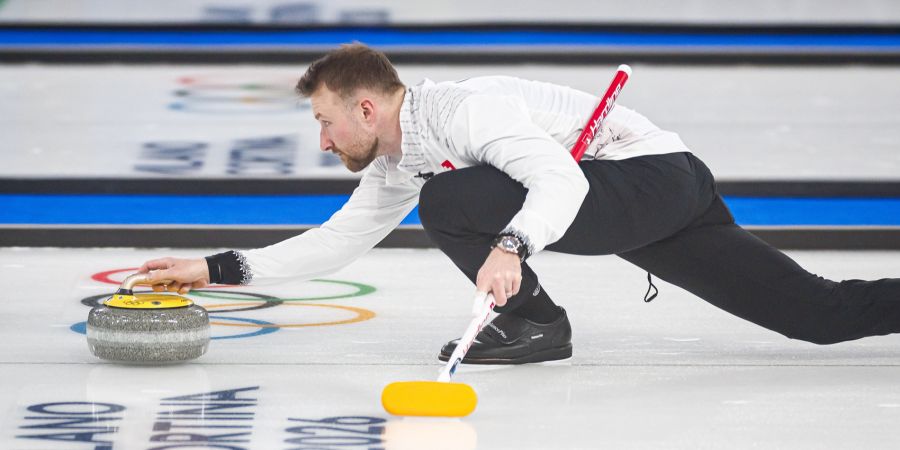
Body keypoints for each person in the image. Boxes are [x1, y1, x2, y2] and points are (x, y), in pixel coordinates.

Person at [140, 43, 900, 365]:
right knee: (815, 316)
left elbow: (564, 184)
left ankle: (535, 322)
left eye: (325, 122)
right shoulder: (401, 157)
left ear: (366, 109)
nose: (323, 141)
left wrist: (510, 248)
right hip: (651, 197)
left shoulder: (466, 110)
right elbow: (340, 239)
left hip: (649, 179)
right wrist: (216, 268)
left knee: (451, 200)